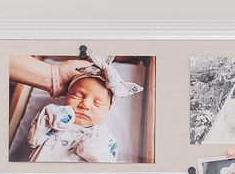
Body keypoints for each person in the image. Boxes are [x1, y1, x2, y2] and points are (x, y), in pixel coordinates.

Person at [9, 54, 143, 163]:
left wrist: (92, 148)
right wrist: (53, 115)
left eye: (97, 103)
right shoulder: (52, 117)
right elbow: (34, 140)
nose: (85, 105)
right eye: (77, 96)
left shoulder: (104, 137)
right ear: (66, 95)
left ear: (108, 109)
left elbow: (106, 166)